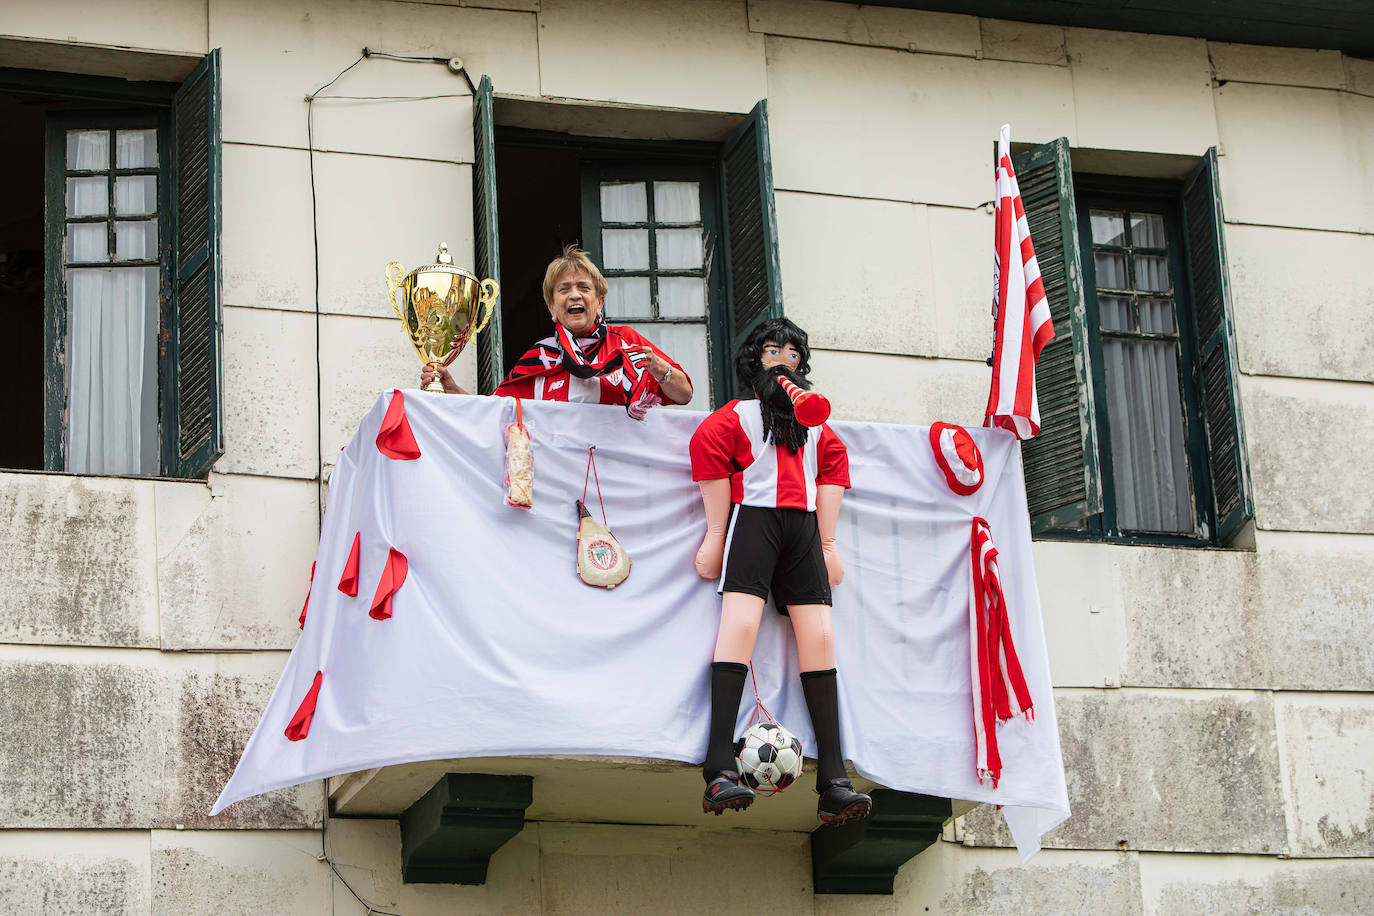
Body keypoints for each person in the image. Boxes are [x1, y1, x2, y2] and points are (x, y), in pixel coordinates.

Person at [688, 317, 872, 824]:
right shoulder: (740, 416)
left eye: (792, 353)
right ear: (755, 359)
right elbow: (707, 448)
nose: (783, 360)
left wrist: (828, 539)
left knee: (821, 637)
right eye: (772, 350)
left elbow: (834, 464)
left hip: (803, 529)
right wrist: (715, 533)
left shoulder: (815, 424)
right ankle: (718, 765)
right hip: (756, 523)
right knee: (740, 626)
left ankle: (833, 776)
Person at [422, 246, 693, 417]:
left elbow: (684, 395)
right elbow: (492, 412)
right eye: (564, 289)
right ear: (552, 307)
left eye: (584, 288)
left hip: (619, 486)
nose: (574, 295)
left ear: (600, 302)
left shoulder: (628, 343)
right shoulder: (539, 357)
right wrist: (450, 389)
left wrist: (661, 371)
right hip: (554, 487)